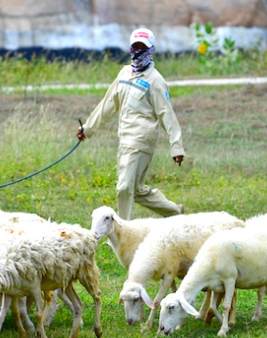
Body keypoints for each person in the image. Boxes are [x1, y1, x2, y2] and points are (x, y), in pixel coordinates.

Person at [76, 28, 185, 220]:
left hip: (141, 141)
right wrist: (88, 129)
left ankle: (124, 231)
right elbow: (108, 104)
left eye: (143, 47)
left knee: (124, 187)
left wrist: (176, 147)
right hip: (124, 139)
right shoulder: (125, 73)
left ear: (151, 50)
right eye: (135, 47)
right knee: (136, 189)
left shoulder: (156, 81)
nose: (138, 52)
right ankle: (175, 212)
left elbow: (167, 114)